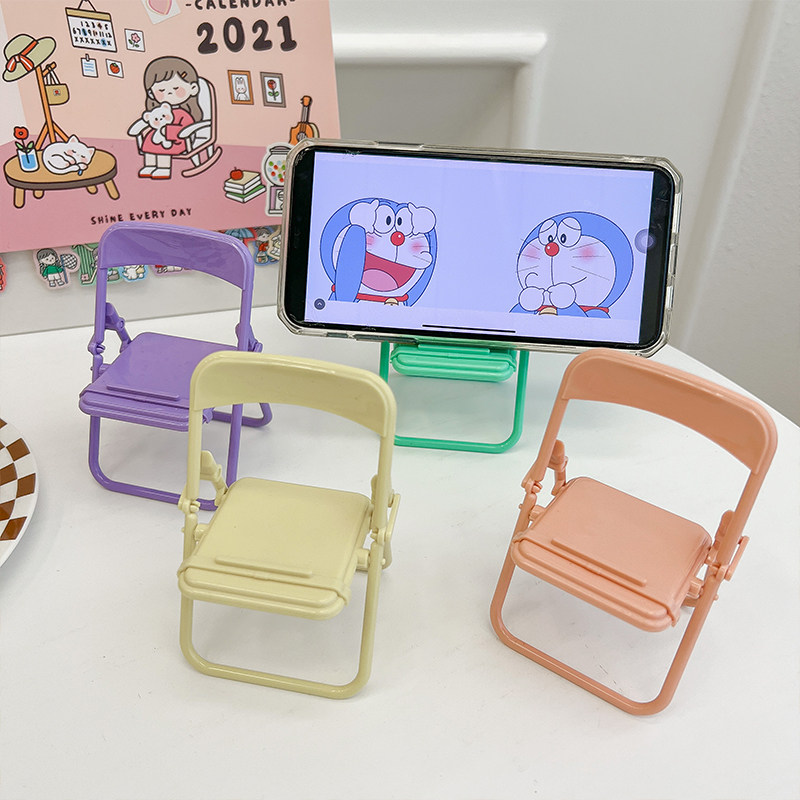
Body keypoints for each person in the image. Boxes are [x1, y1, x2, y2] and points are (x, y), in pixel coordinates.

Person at [129, 56, 203, 180]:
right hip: (155, 139)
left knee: (162, 150)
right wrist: (139, 127)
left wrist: (167, 131)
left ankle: (164, 168)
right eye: (161, 90)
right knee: (150, 149)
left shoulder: (182, 114)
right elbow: (150, 120)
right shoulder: (158, 111)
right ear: (151, 93)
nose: (169, 93)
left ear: (193, 89)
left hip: (176, 141)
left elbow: (186, 128)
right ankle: (150, 165)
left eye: (176, 88)